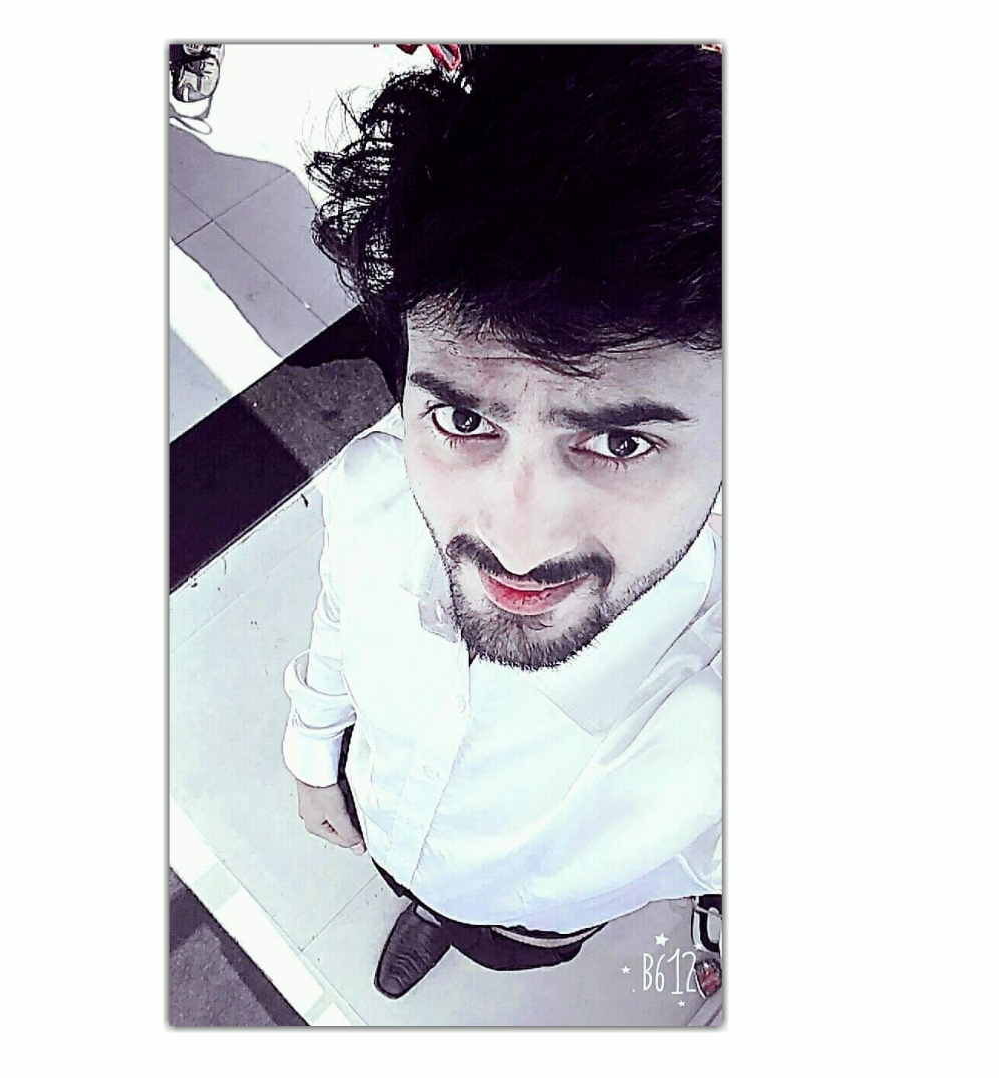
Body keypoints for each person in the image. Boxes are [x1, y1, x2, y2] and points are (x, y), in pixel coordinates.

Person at [282, 44, 722, 999]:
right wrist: (314, 752)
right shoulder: (374, 486)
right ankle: (423, 906)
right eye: (464, 420)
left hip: (535, 917)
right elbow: (342, 614)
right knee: (420, 889)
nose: (515, 546)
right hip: (382, 822)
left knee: (506, 943)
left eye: (620, 442)